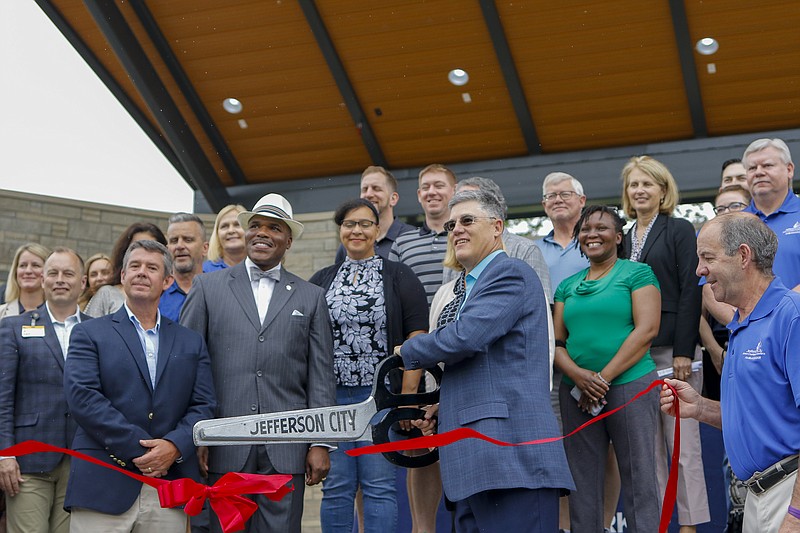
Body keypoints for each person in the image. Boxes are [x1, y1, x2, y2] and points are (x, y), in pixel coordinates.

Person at [399, 189, 574, 532]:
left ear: (497, 227)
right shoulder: (468, 288)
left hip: (511, 460)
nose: (456, 230)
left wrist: (407, 350)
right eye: (451, 225)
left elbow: (466, 337)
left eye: (467, 220)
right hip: (472, 465)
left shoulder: (510, 272)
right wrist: (443, 406)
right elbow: (482, 365)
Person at [181, 193, 336, 533]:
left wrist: (320, 443)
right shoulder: (207, 288)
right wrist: (193, 437)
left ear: (288, 240)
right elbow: (186, 367)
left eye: (274, 228)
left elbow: (321, 375)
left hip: (286, 448)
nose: (263, 233)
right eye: (256, 226)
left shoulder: (311, 297)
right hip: (222, 444)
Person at [661, 212, 800, 533]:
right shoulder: (741, 324)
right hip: (758, 498)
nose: (699, 270)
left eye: (707, 257)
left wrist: (794, 513)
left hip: (788, 498)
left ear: (743, 255)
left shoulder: (790, 317)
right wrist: (700, 408)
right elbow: (761, 419)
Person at [63, 239, 216, 531]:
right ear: (122, 276)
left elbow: (204, 405)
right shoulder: (88, 333)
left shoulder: (191, 341)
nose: (141, 272)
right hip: (103, 483)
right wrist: (143, 450)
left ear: (167, 280)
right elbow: (82, 398)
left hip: (168, 488)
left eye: (152, 267)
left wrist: (173, 446)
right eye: (134, 266)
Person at [309, 198, 428, 533]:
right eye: (349, 224)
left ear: (378, 230)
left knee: (379, 487)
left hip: (380, 398)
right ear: (341, 231)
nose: (356, 230)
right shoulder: (321, 280)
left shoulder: (399, 275)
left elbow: (417, 336)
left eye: (364, 223)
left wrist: (406, 399)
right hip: (332, 398)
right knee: (336, 488)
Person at [553, 205, 662, 532]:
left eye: (601, 228)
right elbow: (557, 344)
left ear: (618, 236)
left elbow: (647, 331)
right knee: (581, 478)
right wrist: (578, 376)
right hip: (576, 391)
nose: (592, 234)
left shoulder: (637, 273)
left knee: (639, 475)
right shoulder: (566, 286)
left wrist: (602, 378)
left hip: (630, 384)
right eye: (585, 229)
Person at [621, 155, 709, 531]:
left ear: (662, 190)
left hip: (675, 352)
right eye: (633, 184)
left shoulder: (679, 229)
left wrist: (685, 351)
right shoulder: (622, 237)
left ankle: (688, 526)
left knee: (682, 447)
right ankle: (660, 524)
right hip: (637, 356)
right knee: (649, 452)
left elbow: (692, 290)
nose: (639, 190)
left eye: (647, 184)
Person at [0, 247, 89, 533]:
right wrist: (5, 454)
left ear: (83, 282)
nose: (60, 279)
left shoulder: (98, 330)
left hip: (80, 459)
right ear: (42, 279)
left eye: (68, 273)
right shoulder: (13, 327)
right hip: (27, 459)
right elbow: (3, 396)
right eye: (53, 273)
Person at [390, 163, 457, 304]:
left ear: (455, 191)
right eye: (425, 187)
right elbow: (392, 294)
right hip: (416, 326)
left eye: (439, 186)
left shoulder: (465, 238)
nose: (431, 192)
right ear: (419, 195)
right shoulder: (401, 243)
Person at [741, 138, 800, 290]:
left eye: (767, 165)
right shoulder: (733, 223)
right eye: (752, 168)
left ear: (789, 169)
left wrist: (783, 311)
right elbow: (710, 284)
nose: (759, 172)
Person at [334, 166, 417, 263]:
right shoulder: (350, 241)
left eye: (376, 189)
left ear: (393, 199)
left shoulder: (412, 236)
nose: (368, 194)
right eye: (365, 189)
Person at [84, 222, 167, 317]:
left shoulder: (171, 298)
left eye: (151, 248)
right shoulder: (107, 294)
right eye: (136, 246)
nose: (143, 252)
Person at [535, 172, 590, 301]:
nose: (558, 200)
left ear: (582, 201)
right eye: (551, 196)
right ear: (544, 205)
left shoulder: (595, 243)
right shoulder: (533, 249)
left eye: (565, 194)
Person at [160, 213, 209, 321]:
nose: (180, 246)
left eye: (188, 240)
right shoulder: (156, 293)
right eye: (174, 241)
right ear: (168, 249)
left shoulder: (219, 292)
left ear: (205, 248)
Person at [0, 243, 50, 322]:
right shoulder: (1, 314)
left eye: (35, 265)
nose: (28, 271)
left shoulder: (59, 316)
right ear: (15, 271)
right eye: (23, 265)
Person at [203, 204, 247, 272]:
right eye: (224, 226)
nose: (231, 230)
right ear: (217, 234)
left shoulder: (262, 268)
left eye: (237, 224)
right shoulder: (204, 271)